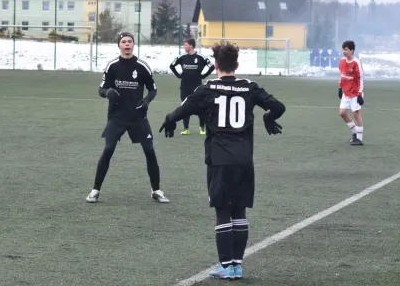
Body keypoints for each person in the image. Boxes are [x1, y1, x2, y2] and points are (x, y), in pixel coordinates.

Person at [158, 42, 285, 280]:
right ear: (236, 65)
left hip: (220, 160)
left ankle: (226, 267)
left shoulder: (206, 90)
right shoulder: (250, 87)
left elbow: (181, 110)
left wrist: (170, 120)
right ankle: (236, 265)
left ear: (215, 65)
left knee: (222, 212)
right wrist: (269, 117)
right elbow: (278, 106)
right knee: (240, 211)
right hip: (245, 159)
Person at [86, 32, 169, 204]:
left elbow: (153, 89)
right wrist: (107, 92)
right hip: (116, 117)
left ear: (133, 45)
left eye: (130, 41)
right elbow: (101, 90)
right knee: (108, 150)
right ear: (119, 45)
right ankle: (95, 190)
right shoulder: (112, 66)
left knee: (150, 151)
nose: (127, 44)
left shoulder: (142, 66)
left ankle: (156, 190)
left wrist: (147, 101)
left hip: (138, 116)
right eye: (123, 42)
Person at [169, 38, 215, 135]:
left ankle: (202, 128)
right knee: (185, 108)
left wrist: (203, 75)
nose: (184, 46)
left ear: (191, 45)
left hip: (197, 87)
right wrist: (178, 75)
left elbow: (212, 66)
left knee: (201, 107)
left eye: (185, 44)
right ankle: (186, 128)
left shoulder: (201, 57)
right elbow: (172, 66)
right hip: (185, 87)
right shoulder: (182, 57)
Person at [338, 40, 364, 146]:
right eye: (343, 49)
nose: (344, 52)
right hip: (346, 92)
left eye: (346, 50)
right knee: (342, 113)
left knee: (356, 114)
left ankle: (359, 138)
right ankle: (354, 133)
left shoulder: (356, 62)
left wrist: (359, 94)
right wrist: (340, 87)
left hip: (355, 92)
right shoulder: (342, 61)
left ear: (352, 51)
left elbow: (361, 79)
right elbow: (342, 75)